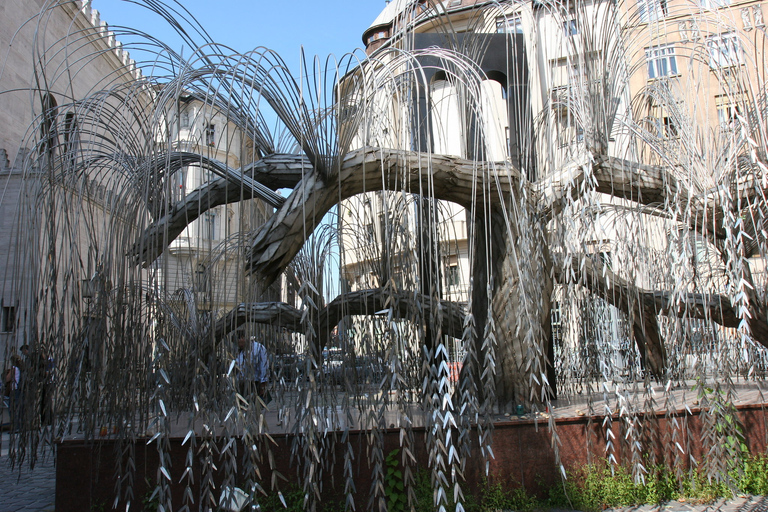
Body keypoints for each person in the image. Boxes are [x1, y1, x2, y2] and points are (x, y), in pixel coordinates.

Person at [235, 334, 271, 404]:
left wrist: (263, 384)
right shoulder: (241, 352)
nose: (238, 345)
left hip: (254, 382)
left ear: (242, 338)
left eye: (238, 342)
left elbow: (264, 366)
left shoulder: (258, 348)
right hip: (242, 383)